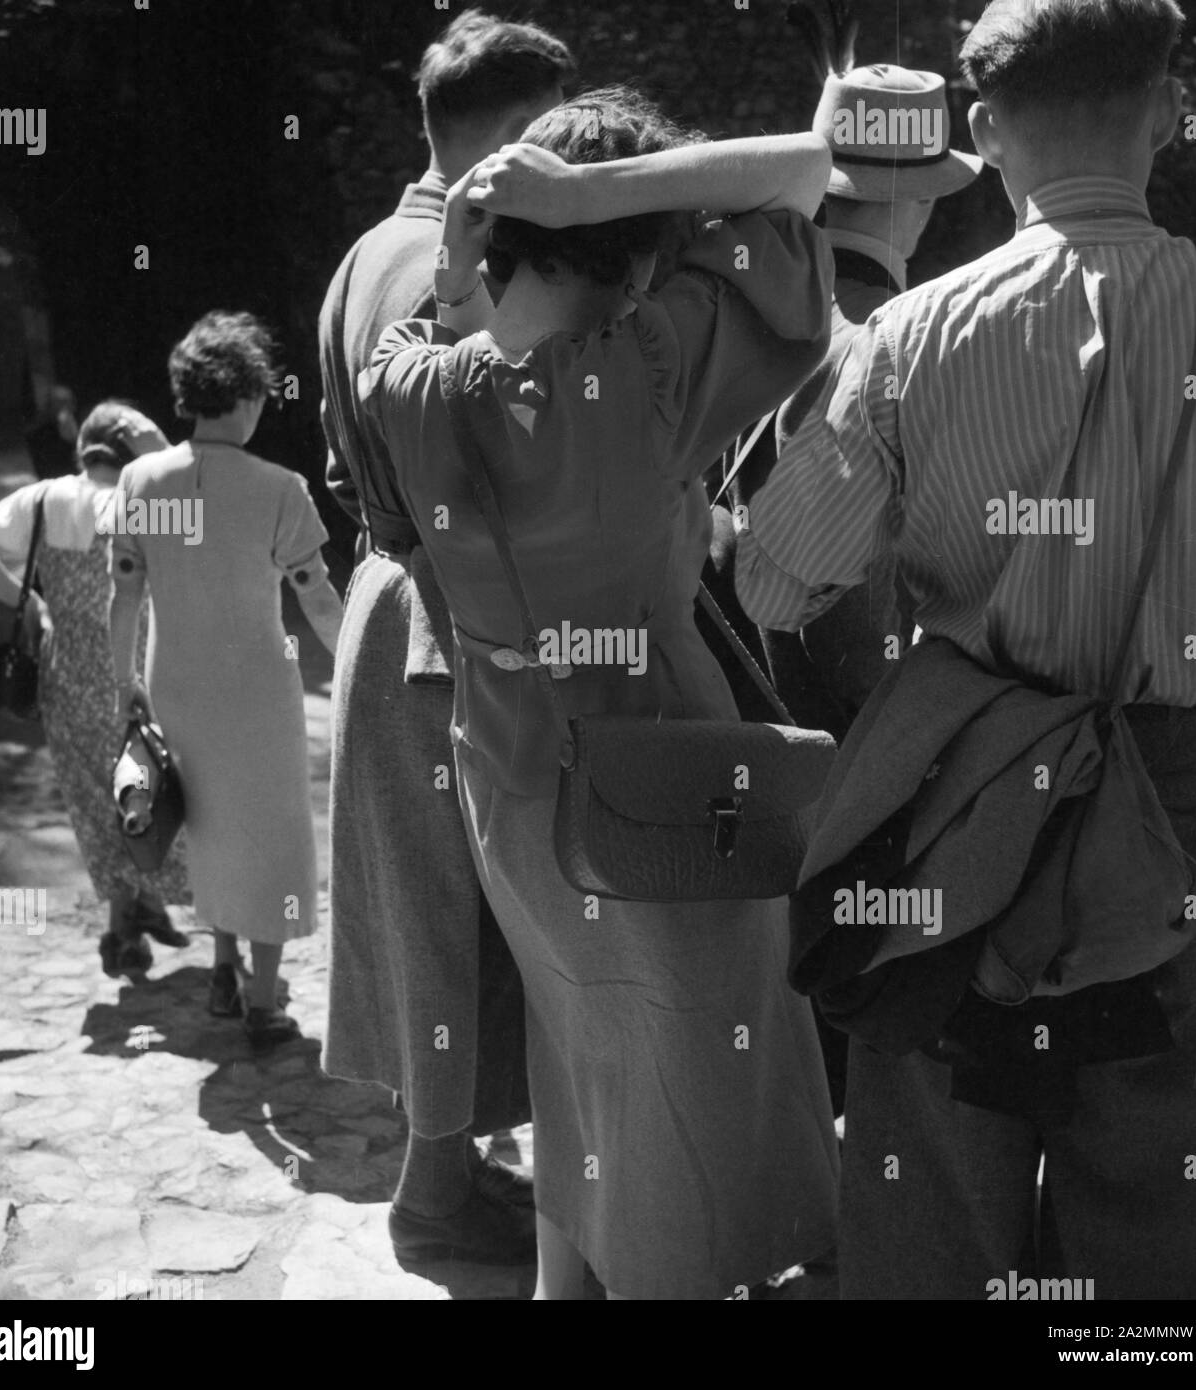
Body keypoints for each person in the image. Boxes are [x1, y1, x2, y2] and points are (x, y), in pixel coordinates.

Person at [737, 0, 1196, 1300]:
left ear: (984, 128)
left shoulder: (913, 337)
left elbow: (779, 587)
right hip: (1182, 797)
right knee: (1147, 1198)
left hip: (960, 802)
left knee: (935, 1199)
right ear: (1167, 114)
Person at [361, 87, 841, 1299]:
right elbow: (804, 173)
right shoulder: (651, 365)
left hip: (507, 768)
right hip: (657, 776)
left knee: (581, 1054)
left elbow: (426, 335)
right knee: (685, 1078)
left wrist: (476, 255)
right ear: (642, 254)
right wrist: (593, 193)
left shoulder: (409, 384)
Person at [319, 8, 573, 1264]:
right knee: (455, 912)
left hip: (386, 593)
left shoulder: (368, 247)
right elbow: (485, 471)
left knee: (432, 910)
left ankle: (445, 1176)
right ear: (507, 140)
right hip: (447, 613)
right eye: (553, 145)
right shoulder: (454, 272)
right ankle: (432, 1195)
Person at [722, 40, 982, 1117]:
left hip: (740, 735)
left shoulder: (740, 321)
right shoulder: (899, 347)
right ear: (917, 209)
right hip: (865, 751)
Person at [108, 312, 344, 1048]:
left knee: (205, 821)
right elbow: (316, 596)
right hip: (258, 691)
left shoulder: (143, 481)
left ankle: (222, 966)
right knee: (269, 834)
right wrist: (358, 667)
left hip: (173, 681)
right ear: (244, 398)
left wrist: (123, 683)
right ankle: (266, 1002)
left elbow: (124, 594)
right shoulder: (278, 489)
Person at [0, 401, 192, 977]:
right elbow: (197, 517)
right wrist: (159, 446)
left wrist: (29, 598)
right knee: (146, 795)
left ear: (81, 450)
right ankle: (141, 913)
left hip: (65, 680)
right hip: (134, 673)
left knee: (93, 802)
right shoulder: (141, 504)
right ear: (127, 452)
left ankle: (124, 926)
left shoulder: (42, 501)